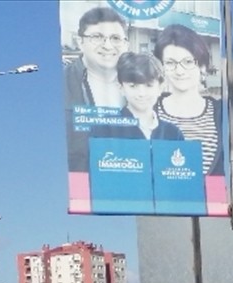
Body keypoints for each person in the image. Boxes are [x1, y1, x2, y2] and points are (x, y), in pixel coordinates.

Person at [154, 24, 224, 176]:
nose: (179, 71)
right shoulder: (146, 109)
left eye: (188, 62)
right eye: (170, 63)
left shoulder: (222, 114)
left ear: (203, 66)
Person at [64, 6, 128, 171]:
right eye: (97, 37)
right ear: (80, 41)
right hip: (77, 182)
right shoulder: (58, 85)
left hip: (130, 179)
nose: (107, 46)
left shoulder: (142, 84)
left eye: (115, 38)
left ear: (125, 44)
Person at [91, 53, 185, 141]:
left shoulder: (173, 133)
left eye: (149, 85)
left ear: (160, 87)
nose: (141, 93)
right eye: (133, 86)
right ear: (121, 88)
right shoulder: (105, 129)